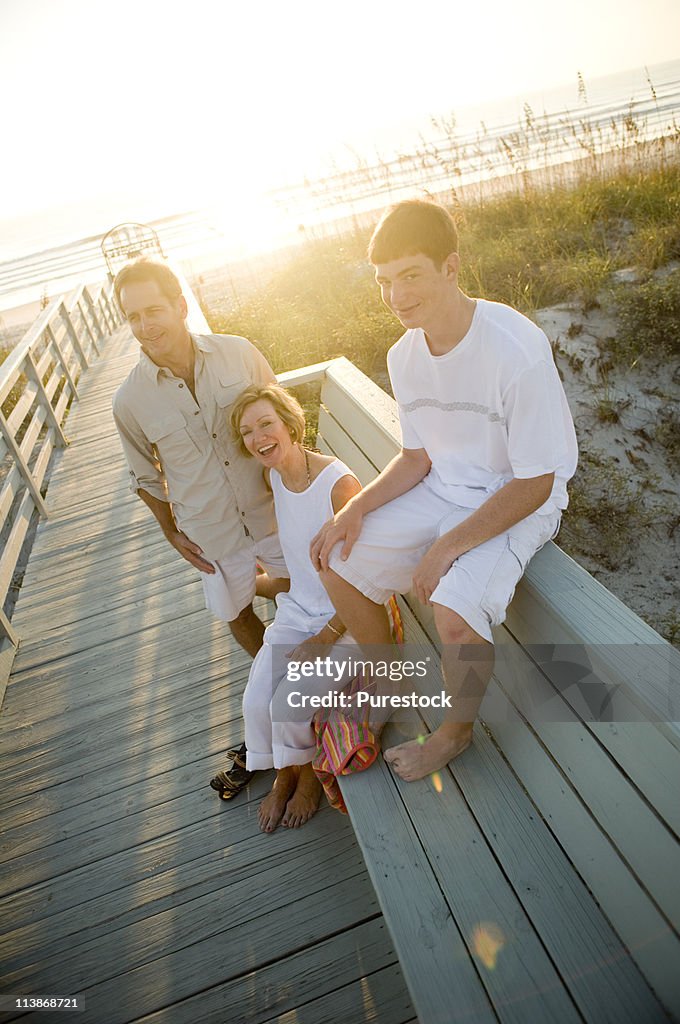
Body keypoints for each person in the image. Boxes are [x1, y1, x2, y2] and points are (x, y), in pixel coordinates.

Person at [311, 199, 578, 782]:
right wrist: (353, 509)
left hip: (518, 494)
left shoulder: (515, 348)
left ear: (451, 267)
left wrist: (446, 547)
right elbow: (416, 457)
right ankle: (389, 680)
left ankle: (455, 734)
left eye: (411, 275)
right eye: (385, 281)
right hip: (444, 485)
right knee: (333, 554)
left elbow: (537, 481)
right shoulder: (403, 354)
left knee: (452, 610)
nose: (396, 295)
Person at [112, 260, 289, 793]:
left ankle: (309, 685)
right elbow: (142, 475)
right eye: (133, 317)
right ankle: (279, 686)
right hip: (207, 528)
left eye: (154, 311)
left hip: (271, 510)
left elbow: (282, 417)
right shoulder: (129, 400)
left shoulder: (238, 353)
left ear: (181, 305)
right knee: (236, 611)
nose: (146, 326)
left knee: (299, 596)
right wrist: (170, 532)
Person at [228, 383, 361, 831]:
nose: (258, 437)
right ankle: (286, 772)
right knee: (254, 702)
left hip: (348, 622)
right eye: (247, 431)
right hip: (297, 610)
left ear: (290, 424)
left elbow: (371, 581)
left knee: (288, 706)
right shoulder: (276, 477)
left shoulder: (338, 486)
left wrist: (326, 639)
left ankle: (306, 781)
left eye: (266, 423)